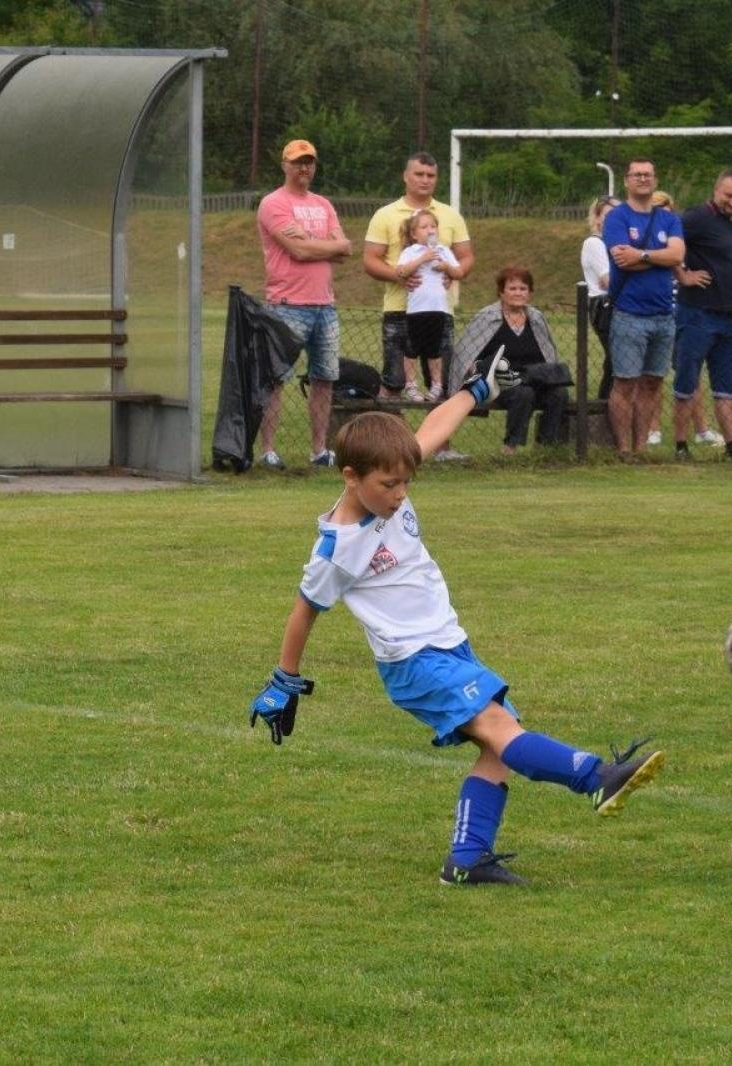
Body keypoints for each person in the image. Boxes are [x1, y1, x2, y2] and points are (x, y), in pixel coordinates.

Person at [248, 355, 666, 887]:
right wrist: (285, 680)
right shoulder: (338, 548)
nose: (400, 495)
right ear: (351, 478)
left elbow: (432, 428)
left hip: (450, 646)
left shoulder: (388, 474)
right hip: (414, 662)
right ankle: (596, 778)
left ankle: (466, 859)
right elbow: (304, 611)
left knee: (500, 747)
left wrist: (474, 391)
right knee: (500, 730)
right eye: (389, 485)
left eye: (405, 482)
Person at [255, 139, 353, 469]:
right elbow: (298, 252)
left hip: (325, 305)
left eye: (309, 162)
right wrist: (326, 246)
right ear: (285, 165)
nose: (304, 168)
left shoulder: (323, 204)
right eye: (298, 162)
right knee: (276, 379)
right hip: (286, 304)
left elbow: (346, 250)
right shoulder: (273, 204)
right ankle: (267, 450)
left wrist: (312, 243)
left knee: (324, 379)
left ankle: (318, 451)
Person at [363, 153, 474, 403]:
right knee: (394, 382)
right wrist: (399, 275)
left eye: (431, 175)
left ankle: (442, 444)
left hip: (439, 310)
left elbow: (466, 257)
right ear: (405, 176)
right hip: (399, 310)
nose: (425, 180)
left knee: (443, 386)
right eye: (419, 174)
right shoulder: (385, 214)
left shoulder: (450, 215)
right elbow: (370, 260)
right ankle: (392, 441)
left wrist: (453, 273)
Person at [602, 159, 685, 458]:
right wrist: (656, 257)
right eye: (637, 175)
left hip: (664, 314)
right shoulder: (616, 218)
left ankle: (642, 447)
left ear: (655, 179)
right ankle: (624, 449)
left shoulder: (668, 218)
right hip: (629, 313)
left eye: (647, 174)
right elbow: (622, 260)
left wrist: (643, 254)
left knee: (652, 383)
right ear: (626, 180)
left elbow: (677, 255)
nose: (642, 179)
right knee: (624, 383)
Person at [672, 168, 732, 459]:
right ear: (716, 190)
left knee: (727, 387)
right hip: (698, 313)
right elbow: (666, 244)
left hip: (730, 318)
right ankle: (681, 445)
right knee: (687, 382)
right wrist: (682, 274)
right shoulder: (696, 218)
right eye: (728, 195)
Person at [450, 266, 568, 454]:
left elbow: (549, 352)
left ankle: (546, 448)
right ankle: (510, 447)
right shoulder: (487, 317)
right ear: (501, 292)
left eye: (523, 289)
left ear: (530, 293)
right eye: (512, 289)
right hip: (498, 379)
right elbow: (467, 352)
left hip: (533, 376)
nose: (518, 293)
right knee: (523, 393)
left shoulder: (536, 318)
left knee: (559, 394)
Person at [393, 209, 459, 401]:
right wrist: (422, 258)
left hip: (438, 310)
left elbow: (458, 271)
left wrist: (446, 267)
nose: (430, 230)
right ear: (414, 234)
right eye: (424, 227)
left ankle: (437, 385)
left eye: (433, 226)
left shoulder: (444, 250)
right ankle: (411, 384)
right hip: (416, 311)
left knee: (434, 350)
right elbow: (402, 272)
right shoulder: (410, 252)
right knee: (412, 348)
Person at [581, 195, 618, 401]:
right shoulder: (594, 243)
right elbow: (608, 281)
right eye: (609, 214)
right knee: (616, 362)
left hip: (622, 304)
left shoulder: (616, 242)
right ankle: (604, 406)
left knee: (620, 363)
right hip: (605, 307)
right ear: (597, 217)